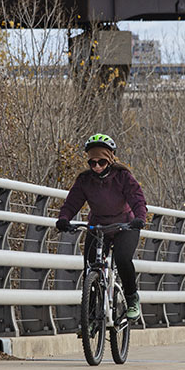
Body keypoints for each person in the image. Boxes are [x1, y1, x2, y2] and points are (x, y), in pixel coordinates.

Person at [55, 133, 148, 321]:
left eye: (101, 162)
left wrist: (139, 217)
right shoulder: (84, 180)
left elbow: (137, 199)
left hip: (125, 225)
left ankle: (132, 299)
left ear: (110, 160)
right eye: (92, 163)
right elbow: (72, 203)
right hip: (98, 227)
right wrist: (64, 218)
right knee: (90, 265)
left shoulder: (123, 177)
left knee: (122, 259)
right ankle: (90, 316)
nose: (97, 167)